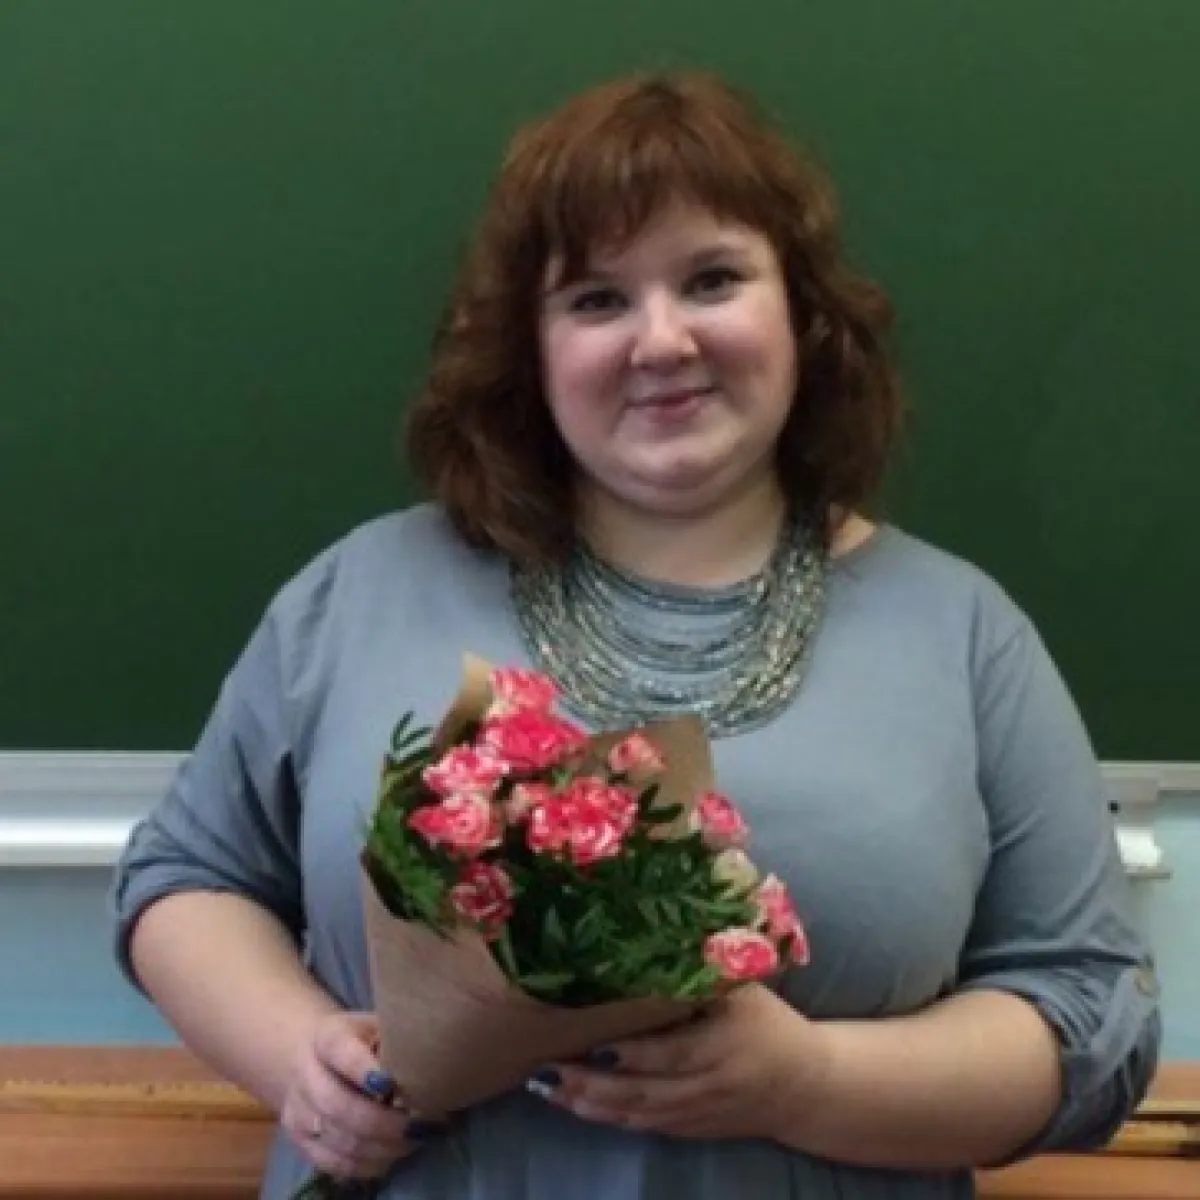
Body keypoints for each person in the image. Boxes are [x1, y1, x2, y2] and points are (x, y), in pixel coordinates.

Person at [110, 71, 1161, 1199]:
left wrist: (804, 1082)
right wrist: (297, 1061)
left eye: (712, 280)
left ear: (803, 318)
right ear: (531, 348)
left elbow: (1091, 1020)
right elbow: (187, 878)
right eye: (596, 299)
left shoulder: (962, 634)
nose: (661, 341)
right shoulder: (361, 592)